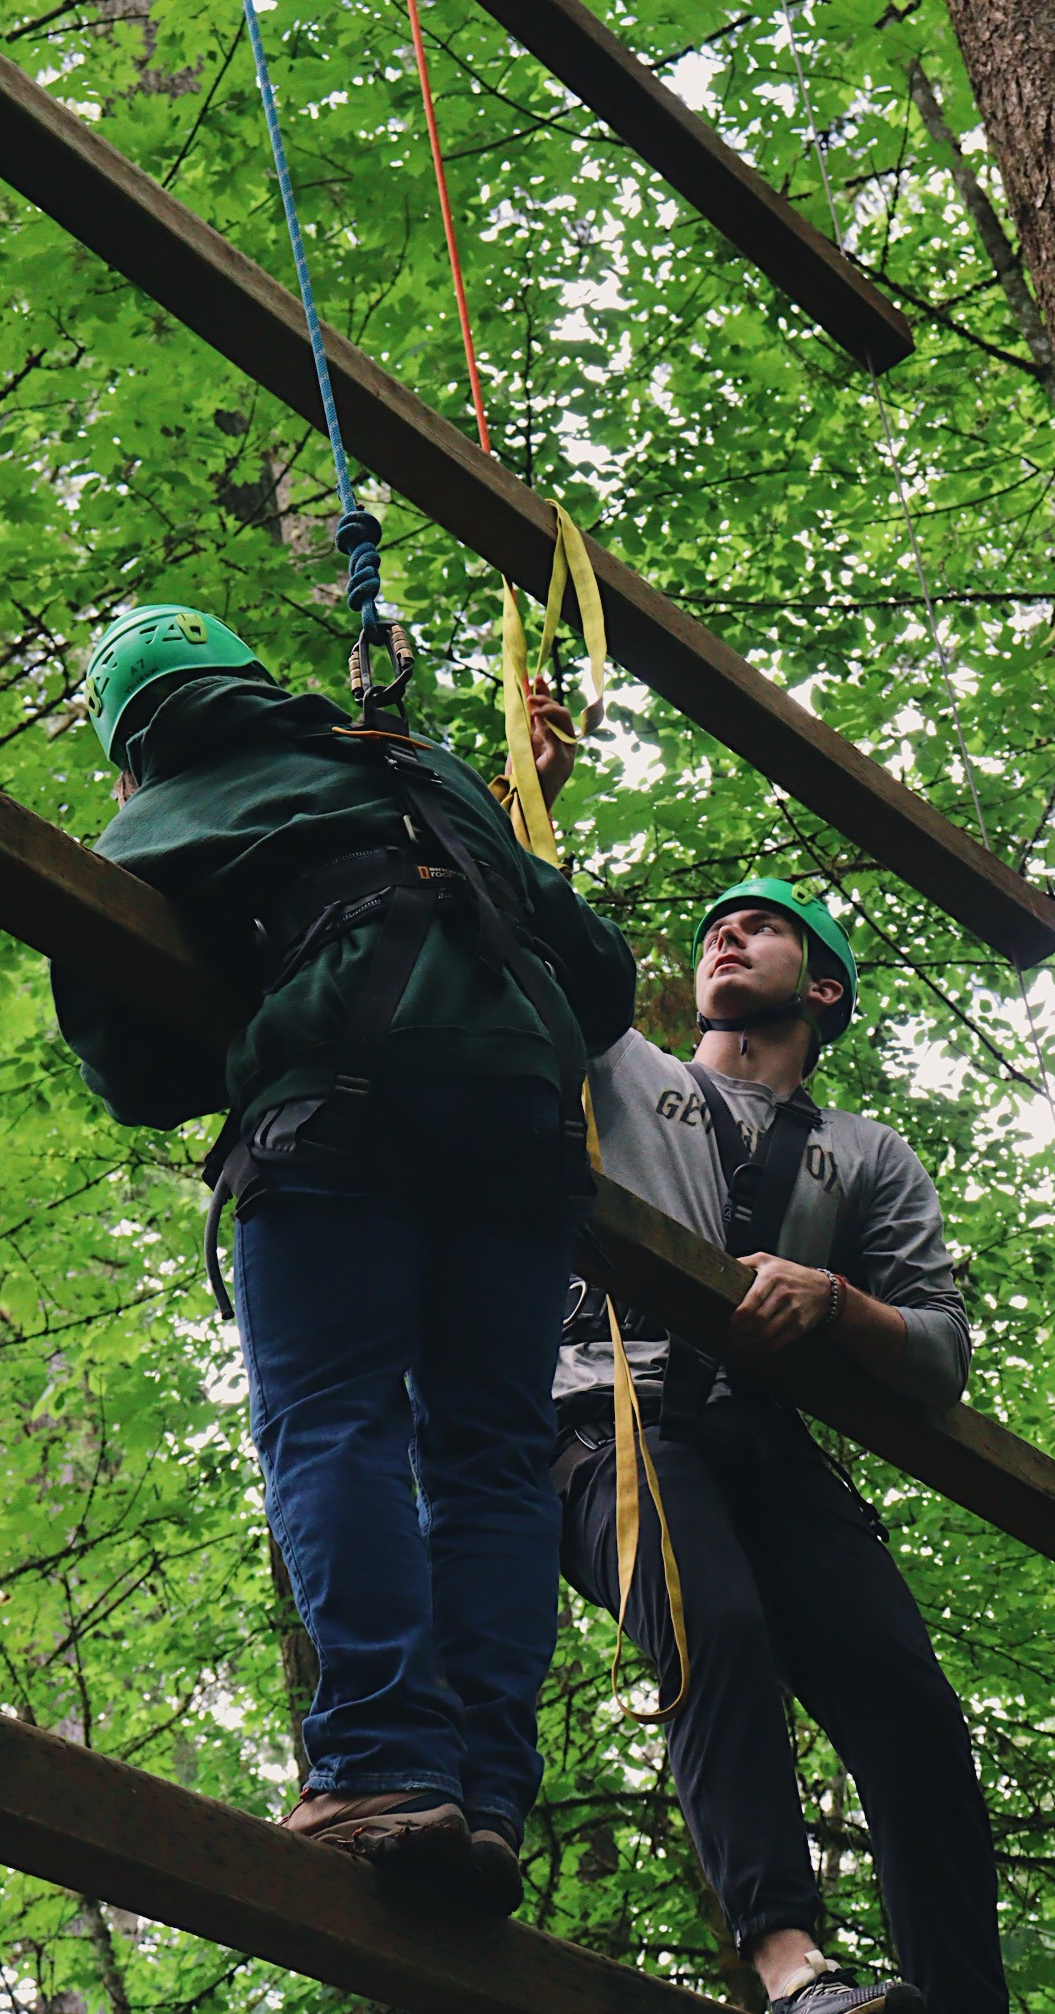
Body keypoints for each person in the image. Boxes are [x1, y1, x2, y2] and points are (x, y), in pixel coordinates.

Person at [552, 873, 1055, 2014]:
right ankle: (788, 1965)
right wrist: (537, 781)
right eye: (716, 930)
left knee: (912, 1712)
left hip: (769, 1440)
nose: (726, 937)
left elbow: (937, 1354)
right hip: (611, 1413)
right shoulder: (618, 1065)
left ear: (822, 989)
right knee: (719, 1625)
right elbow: (533, 941)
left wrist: (838, 1301)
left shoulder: (863, 1158)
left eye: (761, 929)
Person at [53, 603, 634, 1912]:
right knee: (488, 1454)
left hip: (344, 1118)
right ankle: (486, 1795)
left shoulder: (166, 810)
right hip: (525, 1137)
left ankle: (380, 1764)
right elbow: (597, 974)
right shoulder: (411, 769)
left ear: (130, 749)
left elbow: (130, 1067)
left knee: (334, 1426)